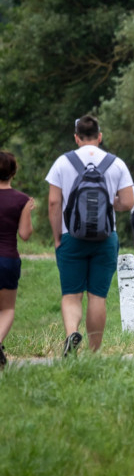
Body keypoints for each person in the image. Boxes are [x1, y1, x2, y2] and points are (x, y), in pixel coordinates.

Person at [46, 115, 133, 355]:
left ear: (76, 138)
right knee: (97, 297)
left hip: (71, 237)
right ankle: (94, 353)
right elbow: (128, 202)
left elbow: (54, 203)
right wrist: (110, 204)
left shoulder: (62, 162)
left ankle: (71, 333)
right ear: (100, 136)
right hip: (106, 237)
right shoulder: (116, 163)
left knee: (71, 295)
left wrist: (57, 237)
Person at [0, 151, 35, 368]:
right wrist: (27, 211)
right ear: (14, 172)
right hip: (7, 260)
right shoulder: (22, 200)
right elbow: (25, 234)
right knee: (7, 309)